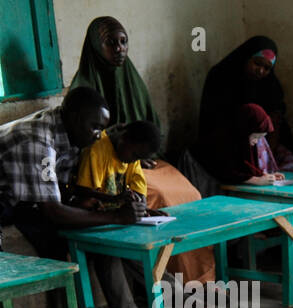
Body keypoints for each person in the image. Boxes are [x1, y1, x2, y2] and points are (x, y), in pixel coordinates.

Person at [69, 15, 215, 284]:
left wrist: (144, 154)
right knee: (159, 196)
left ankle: (201, 276)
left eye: (124, 42)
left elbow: (150, 125)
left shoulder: (132, 80)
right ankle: (176, 281)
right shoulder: (81, 91)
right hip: (107, 169)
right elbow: (80, 146)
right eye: (111, 43)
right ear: (94, 46)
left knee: (189, 192)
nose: (119, 49)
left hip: (139, 161)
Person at [0, 87, 142, 308]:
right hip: (8, 199)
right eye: (95, 127)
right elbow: (53, 210)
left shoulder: (72, 133)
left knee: (82, 235)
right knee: (57, 236)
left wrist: (108, 200)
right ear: (75, 118)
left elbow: (63, 189)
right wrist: (117, 217)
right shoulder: (38, 141)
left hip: (19, 197)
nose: (99, 136)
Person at [71, 120, 161, 308]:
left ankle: (177, 293)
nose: (134, 160)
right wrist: (117, 206)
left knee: (142, 249)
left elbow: (137, 188)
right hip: (91, 222)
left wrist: (142, 207)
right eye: (135, 155)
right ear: (124, 140)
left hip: (117, 221)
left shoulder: (130, 154)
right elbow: (85, 200)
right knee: (108, 253)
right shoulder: (97, 150)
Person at [197, 37, 293, 179]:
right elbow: (216, 123)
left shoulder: (270, 86)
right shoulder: (221, 77)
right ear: (246, 58)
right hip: (228, 145)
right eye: (257, 64)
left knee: (291, 165)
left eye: (267, 68)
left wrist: (267, 153)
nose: (261, 71)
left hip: (261, 144)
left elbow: (275, 122)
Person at [205, 104, 285, 185]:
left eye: (260, 138)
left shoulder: (246, 143)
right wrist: (256, 180)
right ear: (245, 130)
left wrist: (266, 176)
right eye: (255, 137)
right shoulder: (223, 141)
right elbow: (225, 172)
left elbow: (246, 169)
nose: (256, 142)